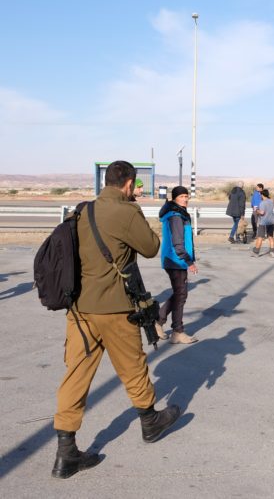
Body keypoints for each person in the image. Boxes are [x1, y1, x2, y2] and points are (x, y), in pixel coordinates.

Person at [52, 161, 180, 479]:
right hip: (116, 309)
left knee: (75, 377)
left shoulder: (81, 211)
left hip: (79, 311)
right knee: (133, 368)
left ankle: (65, 453)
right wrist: (137, 213)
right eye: (134, 187)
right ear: (127, 184)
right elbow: (151, 247)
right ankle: (150, 423)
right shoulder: (126, 212)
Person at [156, 186, 199, 344]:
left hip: (175, 259)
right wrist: (189, 262)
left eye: (186, 196)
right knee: (181, 295)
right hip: (176, 260)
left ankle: (160, 321)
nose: (185, 199)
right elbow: (178, 243)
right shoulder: (176, 216)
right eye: (181, 196)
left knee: (179, 294)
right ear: (174, 198)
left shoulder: (179, 213)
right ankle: (177, 331)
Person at [251, 188, 274, 258]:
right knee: (271, 237)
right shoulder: (271, 201)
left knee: (260, 237)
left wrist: (257, 211)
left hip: (263, 222)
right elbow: (273, 199)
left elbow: (262, 212)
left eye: (260, 194)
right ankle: (272, 252)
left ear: (262, 195)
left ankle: (256, 252)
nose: (260, 196)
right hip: (271, 221)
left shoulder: (262, 203)